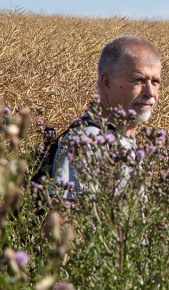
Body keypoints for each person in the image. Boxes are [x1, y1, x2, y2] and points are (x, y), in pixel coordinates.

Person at [52, 35, 162, 199]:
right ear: (107, 82)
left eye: (155, 82)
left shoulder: (124, 140)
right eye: (138, 80)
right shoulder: (87, 141)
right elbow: (65, 220)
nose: (150, 92)